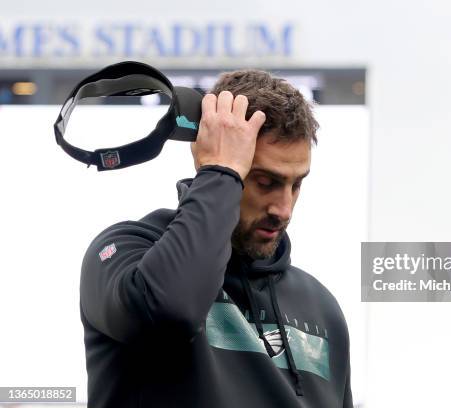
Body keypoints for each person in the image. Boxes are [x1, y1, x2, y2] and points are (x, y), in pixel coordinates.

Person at [79, 69, 353, 407]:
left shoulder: (322, 308)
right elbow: (171, 312)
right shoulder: (125, 252)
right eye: (265, 182)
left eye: (296, 184)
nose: (283, 208)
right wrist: (221, 171)